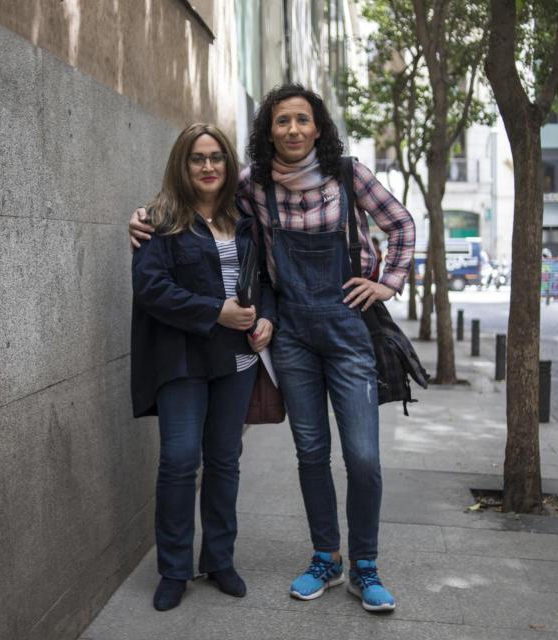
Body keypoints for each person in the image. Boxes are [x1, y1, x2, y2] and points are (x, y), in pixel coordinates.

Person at [131, 84, 416, 613]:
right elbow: (195, 195)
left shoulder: (349, 175)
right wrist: (144, 216)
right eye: (281, 121)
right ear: (268, 130)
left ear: (317, 126)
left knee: (363, 457)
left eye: (301, 120)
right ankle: (326, 559)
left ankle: (366, 566)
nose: (292, 131)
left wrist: (388, 283)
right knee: (310, 453)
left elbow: (400, 224)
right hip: (292, 340)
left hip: (347, 332)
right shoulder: (253, 185)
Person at [130, 123, 276, 611]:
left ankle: (219, 559)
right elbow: (151, 288)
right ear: (183, 164)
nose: (208, 166)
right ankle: (174, 568)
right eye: (198, 158)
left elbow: (267, 282)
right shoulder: (160, 220)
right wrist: (216, 311)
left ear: (228, 164)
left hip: (237, 360)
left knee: (224, 461)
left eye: (216, 157)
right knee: (178, 462)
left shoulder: (247, 220)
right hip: (184, 360)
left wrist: (265, 321)